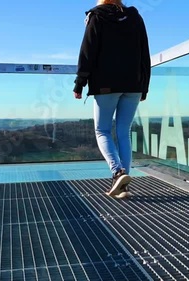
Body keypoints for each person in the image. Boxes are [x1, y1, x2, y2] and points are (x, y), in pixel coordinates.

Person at [73, 0, 151, 199]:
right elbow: (145, 54)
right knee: (123, 132)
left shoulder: (97, 16)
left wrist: (80, 82)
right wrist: (144, 87)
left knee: (103, 131)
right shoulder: (135, 17)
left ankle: (118, 172)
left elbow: (87, 51)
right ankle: (123, 187)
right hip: (134, 84)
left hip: (106, 84)